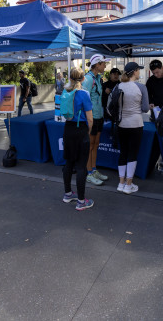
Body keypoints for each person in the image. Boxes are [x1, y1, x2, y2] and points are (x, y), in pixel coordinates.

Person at [61, 67, 94, 211]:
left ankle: (68, 194)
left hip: (68, 129)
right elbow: (90, 119)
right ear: (83, 79)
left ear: (70, 78)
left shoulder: (65, 91)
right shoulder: (84, 93)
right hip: (80, 130)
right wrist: (88, 131)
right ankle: (81, 201)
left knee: (68, 163)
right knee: (81, 166)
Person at [113, 62, 149, 194]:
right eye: (138, 70)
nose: (139, 72)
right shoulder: (141, 87)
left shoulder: (118, 86)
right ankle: (128, 185)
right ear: (134, 72)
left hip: (121, 124)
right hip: (135, 124)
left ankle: (121, 183)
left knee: (123, 152)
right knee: (132, 154)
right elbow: (145, 108)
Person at [82, 54, 110, 186]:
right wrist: (88, 119)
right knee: (90, 145)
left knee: (96, 144)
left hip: (99, 116)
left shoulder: (98, 78)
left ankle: (93, 169)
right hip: (91, 118)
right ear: (97, 64)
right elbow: (83, 99)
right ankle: (88, 173)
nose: (105, 66)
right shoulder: (88, 79)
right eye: (103, 64)